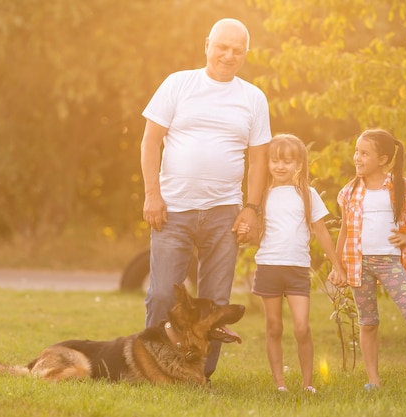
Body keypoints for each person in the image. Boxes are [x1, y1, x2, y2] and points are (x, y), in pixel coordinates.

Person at [139, 18, 271, 381]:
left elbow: (259, 159)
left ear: (245, 54)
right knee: (163, 296)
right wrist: (153, 194)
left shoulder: (253, 98)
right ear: (207, 44)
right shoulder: (178, 84)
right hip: (172, 211)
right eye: (222, 47)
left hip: (224, 214)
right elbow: (150, 141)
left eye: (237, 50)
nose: (228, 55)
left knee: (215, 302)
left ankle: (200, 374)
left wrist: (252, 209)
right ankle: (155, 370)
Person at [238, 134, 347, 393]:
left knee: (301, 327)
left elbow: (321, 232)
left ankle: (308, 384)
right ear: (268, 163)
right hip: (269, 267)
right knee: (274, 326)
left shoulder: (307, 195)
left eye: (287, 161)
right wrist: (244, 232)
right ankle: (280, 385)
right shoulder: (261, 196)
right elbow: (251, 233)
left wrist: (337, 265)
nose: (280, 166)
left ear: (299, 164)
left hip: (298, 269)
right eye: (275, 160)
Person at [328, 128, 406, 391]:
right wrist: (337, 265)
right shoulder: (349, 191)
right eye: (356, 151)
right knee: (368, 322)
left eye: (364, 153)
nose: (357, 157)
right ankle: (373, 381)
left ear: (383, 159)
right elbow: (344, 229)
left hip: (389, 262)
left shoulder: (402, 186)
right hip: (359, 263)